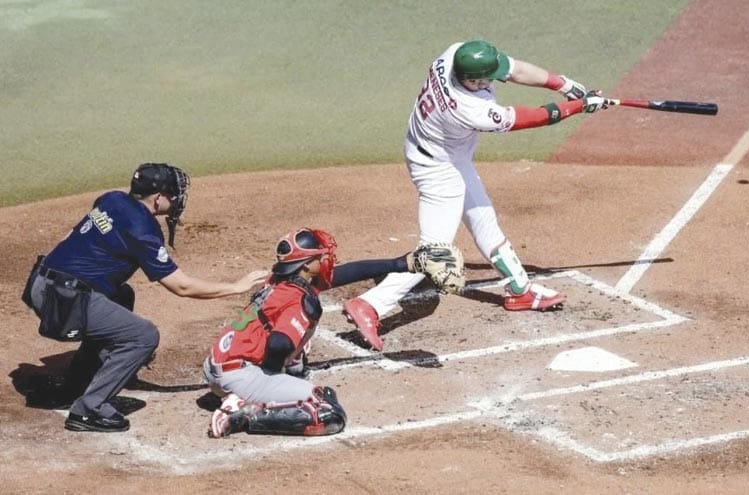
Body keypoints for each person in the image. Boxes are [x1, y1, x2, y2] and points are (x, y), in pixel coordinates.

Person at [342, 39, 612, 351]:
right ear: (471, 80)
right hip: (437, 169)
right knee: (436, 255)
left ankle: (519, 289)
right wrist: (580, 106)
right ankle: (371, 304)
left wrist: (564, 84)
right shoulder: (468, 109)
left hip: (443, 152)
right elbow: (533, 117)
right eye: (486, 78)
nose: (493, 80)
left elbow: (516, 70)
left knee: (482, 217)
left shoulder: (455, 54)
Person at [20, 163, 269, 433]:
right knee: (143, 336)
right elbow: (181, 286)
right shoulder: (143, 229)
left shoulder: (112, 200)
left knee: (122, 295)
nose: (176, 201)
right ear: (158, 198)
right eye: (173, 195)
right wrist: (236, 287)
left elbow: (70, 236)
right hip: (64, 300)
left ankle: (75, 385)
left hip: (41, 282)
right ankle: (88, 410)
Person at [203, 227, 453, 438]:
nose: (325, 259)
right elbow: (278, 344)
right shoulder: (298, 298)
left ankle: (258, 389)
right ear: (306, 264)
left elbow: (346, 273)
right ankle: (241, 413)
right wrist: (272, 375)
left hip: (219, 365)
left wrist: (401, 264)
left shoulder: (280, 279)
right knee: (326, 411)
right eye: (319, 257)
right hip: (238, 377)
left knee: (298, 350)